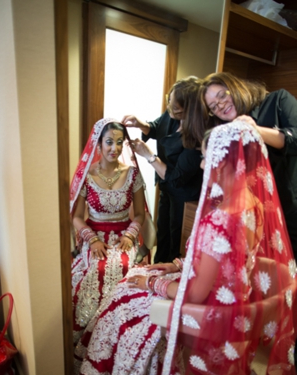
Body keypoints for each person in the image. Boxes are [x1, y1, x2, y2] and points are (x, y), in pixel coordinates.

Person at [75, 121, 297, 375]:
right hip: (234, 296)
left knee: (122, 296)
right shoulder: (253, 204)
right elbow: (220, 262)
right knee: (136, 274)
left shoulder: (219, 219)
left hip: (205, 309)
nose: (203, 164)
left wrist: (151, 282)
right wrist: (175, 264)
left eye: (207, 157)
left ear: (228, 162)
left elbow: (193, 293)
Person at [182, 71, 297, 262]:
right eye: (213, 106)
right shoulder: (226, 131)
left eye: (222, 96)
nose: (221, 105)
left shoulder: (277, 100)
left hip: (290, 207)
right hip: (254, 213)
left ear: (234, 87)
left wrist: (256, 131)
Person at [70, 118, 145, 345]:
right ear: (99, 144)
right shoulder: (88, 175)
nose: (115, 148)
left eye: (120, 142)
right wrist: (91, 240)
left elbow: (140, 214)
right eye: (110, 142)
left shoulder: (132, 174)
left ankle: (116, 335)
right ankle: (89, 335)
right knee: (97, 267)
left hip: (124, 235)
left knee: (120, 266)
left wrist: (130, 235)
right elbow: (76, 217)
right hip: (95, 236)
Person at [122, 76, 203, 263]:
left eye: (176, 108)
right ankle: (157, 272)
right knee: (163, 232)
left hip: (185, 195)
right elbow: (157, 127)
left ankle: (171, 283)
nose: (170, 109)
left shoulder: (197, 135)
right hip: (166, 187)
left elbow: (176, 177)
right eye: (170, 102)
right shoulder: (171, 115)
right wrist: (141, 124)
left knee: (178, 240)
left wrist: (149, 156)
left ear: (189, 110)